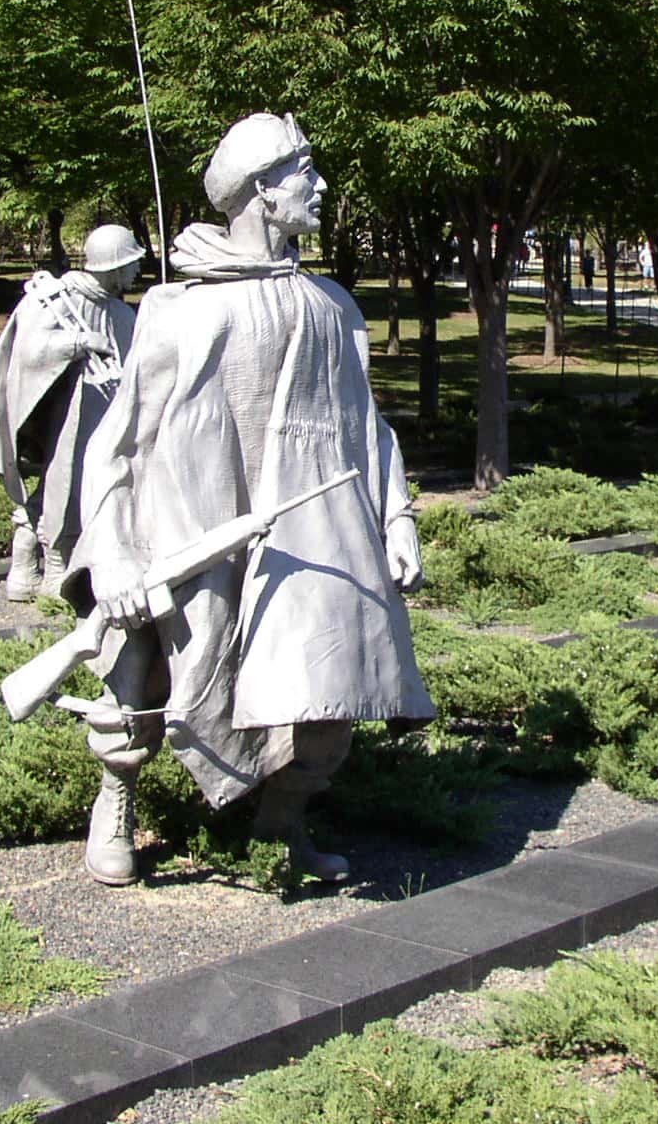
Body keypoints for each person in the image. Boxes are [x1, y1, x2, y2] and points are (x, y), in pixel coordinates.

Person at [65, 113, 432, 886]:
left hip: (307, 534)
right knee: (143, 671)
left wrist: (395, 513)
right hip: (192, 529)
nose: (323, 186)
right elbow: (121, 442)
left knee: (327, 688)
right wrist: (120, 554)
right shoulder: (180, 310)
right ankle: (115, 799)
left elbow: (365, 422)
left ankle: (281, 824)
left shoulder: (333, 306)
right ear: (265, 192)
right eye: (307, 172)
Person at [0, 225, 143, 601]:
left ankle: (29, 554)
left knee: (94, 486)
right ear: (115, 265)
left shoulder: (122, 312)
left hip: (107, 412)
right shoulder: (55, 299)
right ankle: (54, 567)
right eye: (132, 263)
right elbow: (30, 352)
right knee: (64, 484)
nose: (137, 271)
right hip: (67, 414)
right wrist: (78, 341)